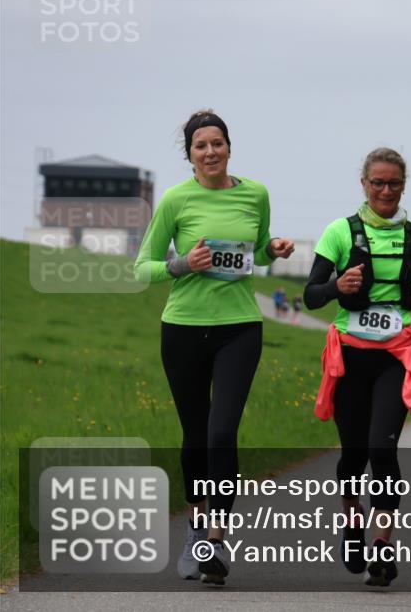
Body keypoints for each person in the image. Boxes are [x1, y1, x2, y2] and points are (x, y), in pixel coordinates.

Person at [134, 110, 295, 585]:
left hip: (239, 327)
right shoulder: (175, 200)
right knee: (195, 434)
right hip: (183, 328)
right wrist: (183, 263)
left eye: (217, 143)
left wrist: (274, 249)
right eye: (200, 146)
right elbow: (143, 267)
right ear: (189, 155)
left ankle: (216, 539)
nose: (210, 152)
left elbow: (257, 250)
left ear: (229, 147)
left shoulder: (255, 193)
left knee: (222, 432)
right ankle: (196, 527)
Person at [304, 147, 411, 586]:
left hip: (393, 357)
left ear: (404, 186)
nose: (385, 190)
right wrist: (336, 286)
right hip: (349, 357)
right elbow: (311, 295)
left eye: (394, 183)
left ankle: (381, 545)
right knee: (353, 456)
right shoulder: (339, 233)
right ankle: (352, 523)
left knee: (382, 450)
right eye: (377, 182)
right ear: (363, 184)